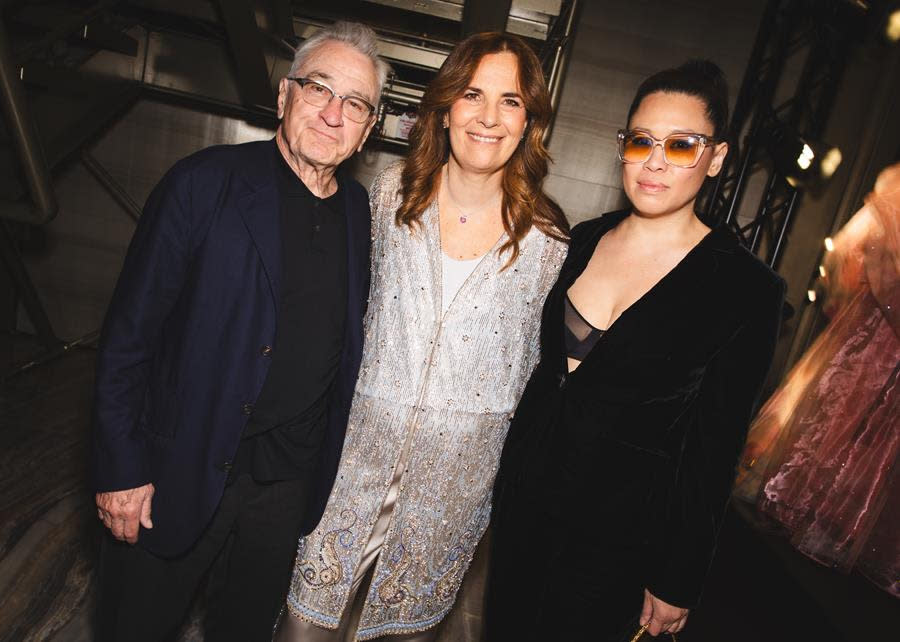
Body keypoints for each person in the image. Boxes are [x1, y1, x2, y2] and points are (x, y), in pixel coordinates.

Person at [91, 21, 389, 641]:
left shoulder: (360, 215)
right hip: (179, 468)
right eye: (319, 89)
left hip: (285, 488)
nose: (334, 114)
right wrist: (120, 467)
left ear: (370, 126)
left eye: (355, 103)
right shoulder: (203, 182)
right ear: (285, 96)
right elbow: (129, 336)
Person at [275, 32, 569, 641]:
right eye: (472, 94)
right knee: (302, 625)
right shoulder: (387, 197)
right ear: (445, 108)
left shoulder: (550, 242)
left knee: (403, 633)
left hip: (453, 490)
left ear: (530, 120)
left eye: (510, 101)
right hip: (350, 464)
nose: (488, 117)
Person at [486, 60, 786, 640]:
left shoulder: (746, 290)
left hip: (619, 543)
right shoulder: (584, 239)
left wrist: (679, 577)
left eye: (681, 146)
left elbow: (715, 450)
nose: (654, 161)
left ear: (717, 158)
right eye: (642, 141)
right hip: (525, 509)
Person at [735, 163, 899, 598]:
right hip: (878, 339)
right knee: (849, 435)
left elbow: (845, 258)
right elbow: (847, 258)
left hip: (876, 341)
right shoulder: (895, 187)